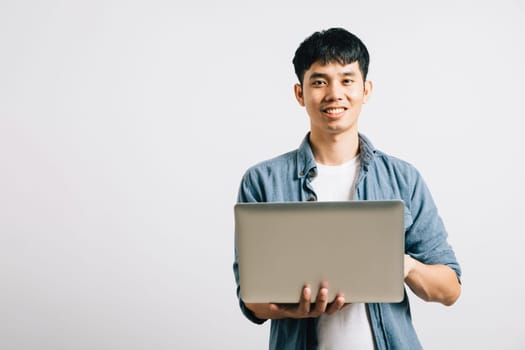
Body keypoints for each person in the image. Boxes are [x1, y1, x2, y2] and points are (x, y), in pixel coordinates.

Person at [233, 27, 461, 350]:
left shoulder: (402, 178)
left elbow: (450, 288)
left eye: (347, 80)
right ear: (300, 93)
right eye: (319, 81)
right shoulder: (261, 181)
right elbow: (250, 298)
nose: (334, 94)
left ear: (366, 89)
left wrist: (403, 265)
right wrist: (290, 310)